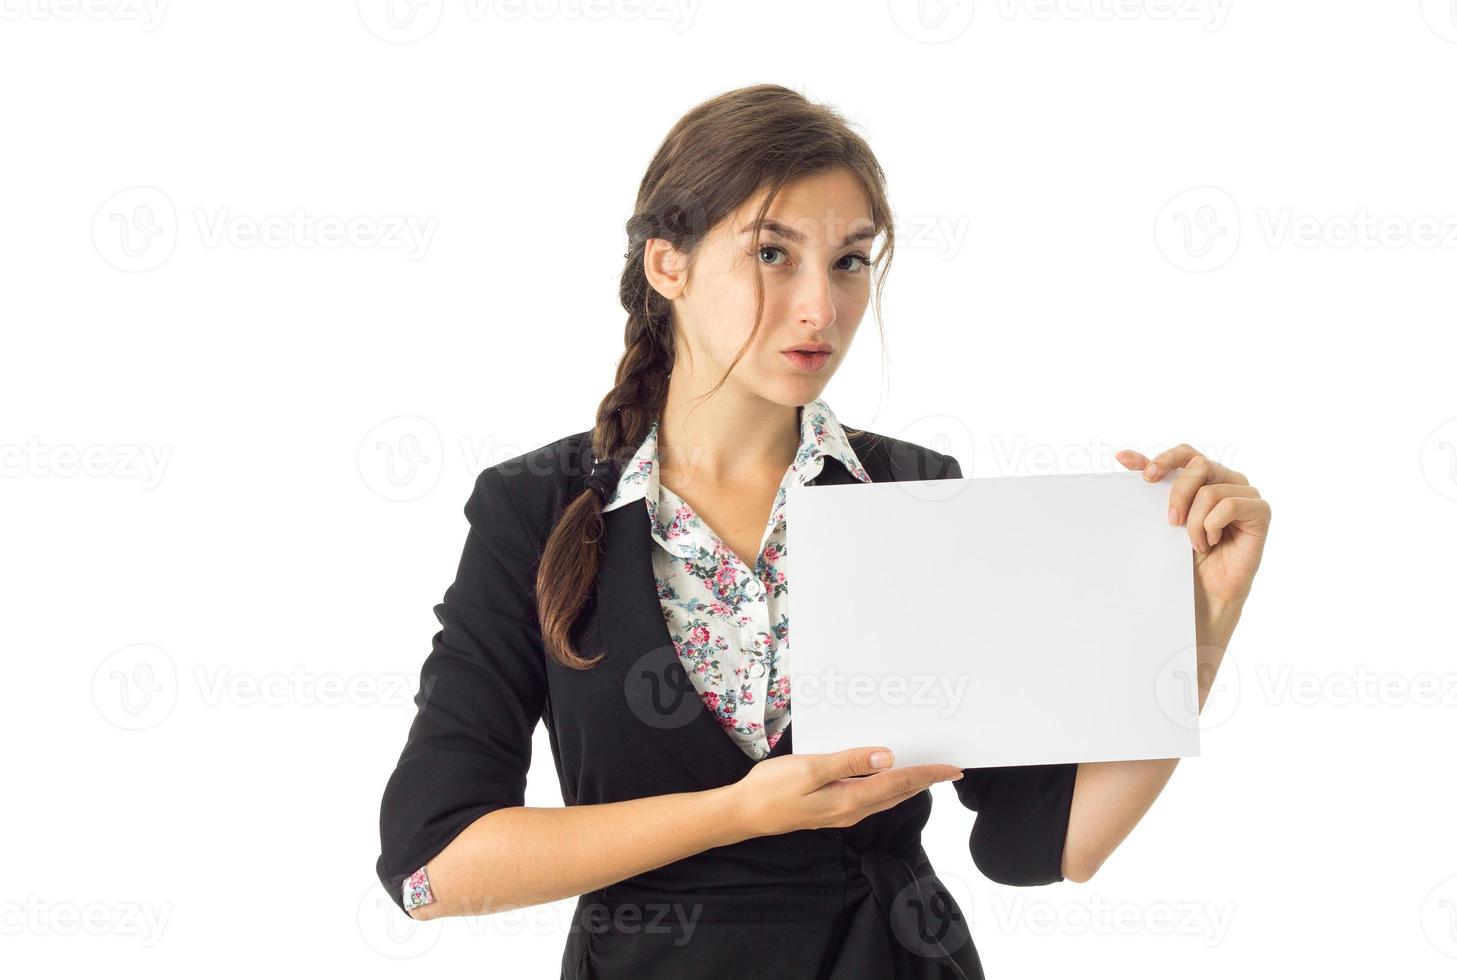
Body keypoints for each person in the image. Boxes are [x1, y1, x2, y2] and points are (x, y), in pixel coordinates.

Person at [373, 83, 1272, 979]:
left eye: (850, 261)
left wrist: (1199, 618)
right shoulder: (535, 507)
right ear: (667, 266)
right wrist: (741, 813)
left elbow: (1045, 843)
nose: (822, 308)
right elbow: (431, 866)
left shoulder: (916, 492)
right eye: (773, 253)